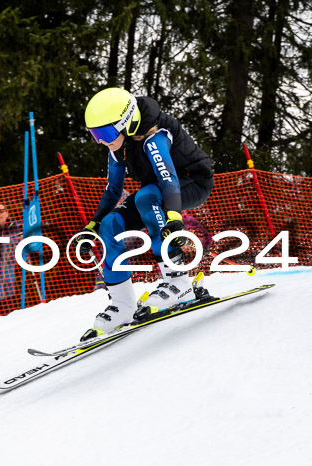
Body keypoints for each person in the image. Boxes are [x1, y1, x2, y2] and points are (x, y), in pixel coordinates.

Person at [78, 87, 214, 341]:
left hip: (190, 183)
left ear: (126, 121)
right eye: (95, 134)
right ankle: (123, 304)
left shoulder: (155, 136)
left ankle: (179, 282)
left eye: (106, 132)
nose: (102, 140)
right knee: (111, 223)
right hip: (155, 192)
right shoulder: (117, 146)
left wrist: (173, 216)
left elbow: (168, 178)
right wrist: (93, 224)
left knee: (147, 196)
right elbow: (113, 190)